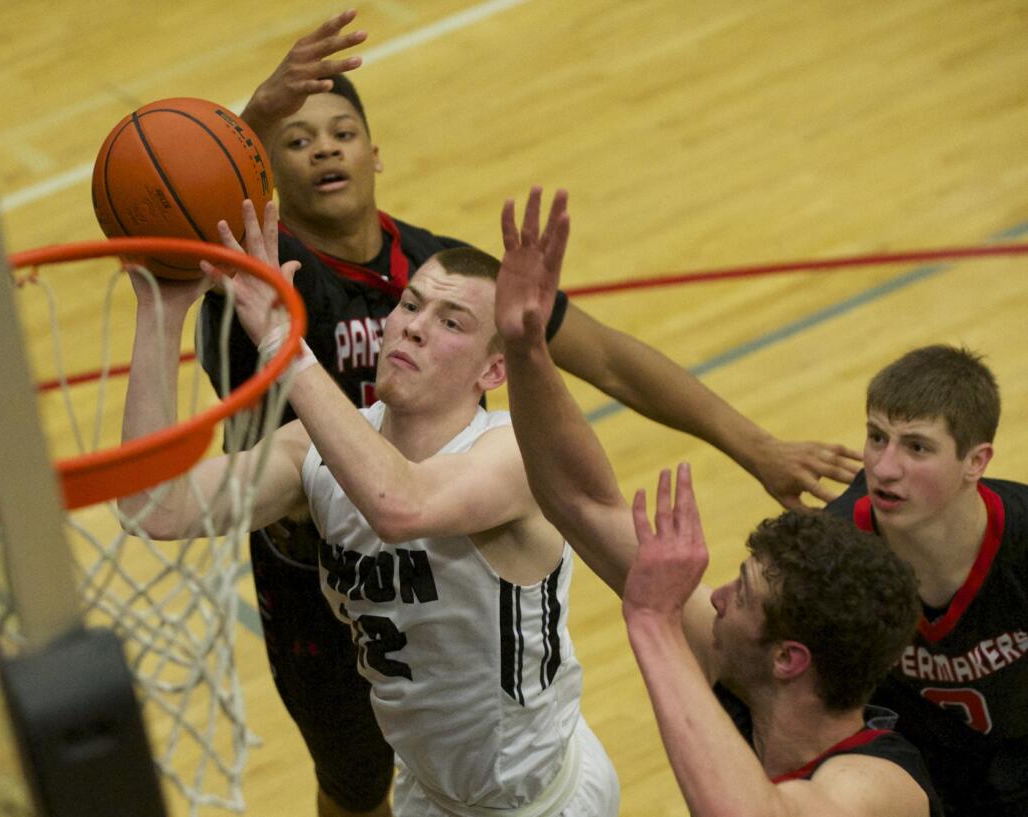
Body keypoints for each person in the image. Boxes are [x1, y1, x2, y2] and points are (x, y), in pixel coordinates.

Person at [196, 12, 861, 815]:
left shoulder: (449, 279)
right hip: (319, 579)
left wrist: (753, 444)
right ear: (265, 170)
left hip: (452, 559)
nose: (325, 148)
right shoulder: (259, 281)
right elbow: (190, 200)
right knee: (351, 786)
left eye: (342, 131)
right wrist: (255, 115)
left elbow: (609, 356)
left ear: (377, 154)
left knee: (482, 751)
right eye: (296, 140)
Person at [122, 197, 620, 816]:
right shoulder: (315, 449)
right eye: (411, 304)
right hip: (428, 794)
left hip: (540, 803)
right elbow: (154, 506)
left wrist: (285, 343)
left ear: (494, 370)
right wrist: (162, 310)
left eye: (451, 322)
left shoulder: (512, 455)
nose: (412, 324)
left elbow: (398, 503)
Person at [495, 186, 944, 817]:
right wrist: (527, 349)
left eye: (744, 592)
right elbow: (577, 501)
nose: (718, 597)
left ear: (789, 658)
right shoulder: (746, 672)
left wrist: (652, 624)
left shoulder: (878, 788)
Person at [825, 345, 1028, 817]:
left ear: (975, 462)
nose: (884, 467)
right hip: (908, 782)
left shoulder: (1021, 540)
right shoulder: (829, 552)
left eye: (916, 447)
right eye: (876, 438)